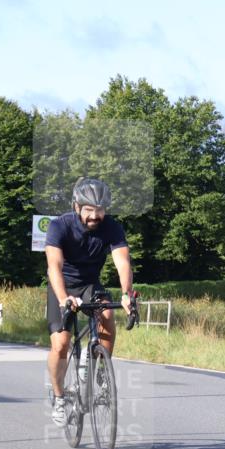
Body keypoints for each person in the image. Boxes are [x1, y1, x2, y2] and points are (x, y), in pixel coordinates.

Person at [45, 177, 134, 426]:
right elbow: (54, 266)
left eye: (100, 210)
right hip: (61, 286)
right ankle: (60, 397)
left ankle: (101, 369)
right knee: (61, 345)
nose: (95, 216)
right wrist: (63, 299)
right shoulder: (59, 226)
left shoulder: (112, 227)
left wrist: (127, 293)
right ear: (77, 207)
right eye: (89, 210)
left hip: (90, 285)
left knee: (107, 315)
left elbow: (122, 262)